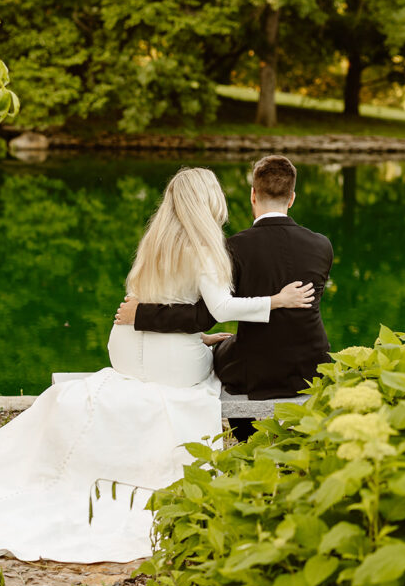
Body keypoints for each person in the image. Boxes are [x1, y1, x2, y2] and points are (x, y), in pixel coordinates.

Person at [0, 167, 313, 563]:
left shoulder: (156, 241)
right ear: (208, 202)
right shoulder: (208, 247)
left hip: (125, 349)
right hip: (171, 362)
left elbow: (159, 304)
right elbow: (219, 306)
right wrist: (278, 299)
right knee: (210, 374)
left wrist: (189, 329)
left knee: (200, 352)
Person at [116, 155, 333, 442]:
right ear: (292, 198)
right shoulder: (322, 245)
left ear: (253, 195)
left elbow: (208, 313)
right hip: (313, 364)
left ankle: (246, 442)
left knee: (223, 354)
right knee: (222, 347)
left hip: (254, 370)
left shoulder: (233, 248)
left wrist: (141, 314)